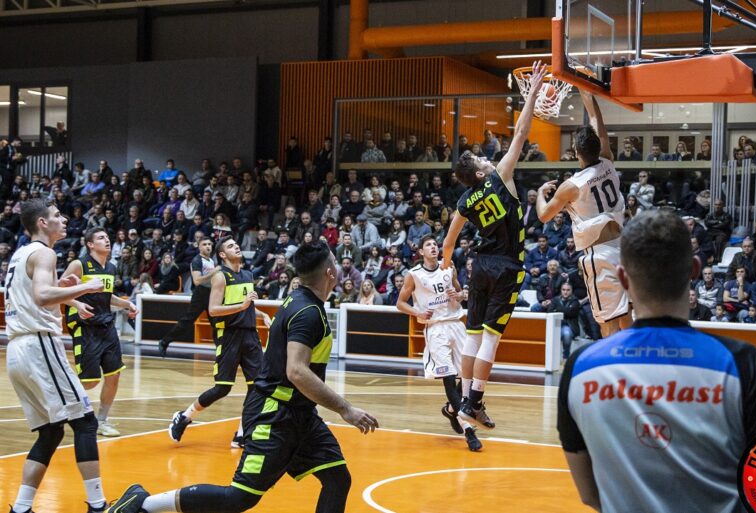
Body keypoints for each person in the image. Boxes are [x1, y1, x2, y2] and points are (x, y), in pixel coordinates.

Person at [557, 210, 756, 513]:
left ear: (622, 277)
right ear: (694, 270)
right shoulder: (743, 363)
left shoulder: (580, 367)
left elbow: (589, 494)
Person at [108, 241, 378, 513]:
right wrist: (345, 408)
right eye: (334, 262)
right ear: (330, 272)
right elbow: (296, 371)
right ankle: (143, 504)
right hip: (275, 414)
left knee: (337, 478)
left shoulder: (304, 302)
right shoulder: (307, 312)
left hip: (300, 414)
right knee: (238, 498)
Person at [441, 61, 548, 431]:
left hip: (479, 266)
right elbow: (521, 133)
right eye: (481, 158)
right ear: (480, 172)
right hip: (506, 266)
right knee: (490, 339)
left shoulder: (464, 202)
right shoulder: (501, 176)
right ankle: (472, 403)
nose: (487, 158)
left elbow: (449, 242)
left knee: (472, 338)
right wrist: (533, 93)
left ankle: (466, 401)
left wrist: (447, 268)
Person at [5, 199, 110, 513]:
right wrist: (84, 288)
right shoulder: (45, 252)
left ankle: (21, 507)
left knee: (51, 432)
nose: (63, 219)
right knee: (86, 422)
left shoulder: (21, 253)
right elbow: (41, 296)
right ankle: (97, 505)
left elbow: (36, 293)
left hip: (16, 350)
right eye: (56, 215)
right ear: (42, 222)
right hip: (39, 344)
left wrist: (64, 290)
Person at [535, 91, 631, 337]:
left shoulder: (572, 186)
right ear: (598, 146)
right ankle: (636, 358)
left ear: (576, 153)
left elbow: (544, 216)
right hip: (623, 248)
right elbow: (597, 120)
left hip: (600, 255)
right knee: (625, 315)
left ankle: (609, 362)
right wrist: (584, 89)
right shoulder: (608, 161)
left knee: (607, 322)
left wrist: (540, 193)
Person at [167, 238, 271, 448]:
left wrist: (262, 315)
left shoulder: (248, 275)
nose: (237, 247)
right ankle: (184, 417)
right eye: (230, 246)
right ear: (222, 255)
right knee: (222, 388)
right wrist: (242, 306)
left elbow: (247, 305)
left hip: (250, 335)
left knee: (258, 386)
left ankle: (242, 434)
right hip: (229, 335)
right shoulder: (220, 276)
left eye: (236, 244)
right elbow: (214, 310)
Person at [396, 235, 481, 451]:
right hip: (435, 329)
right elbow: (400, 303)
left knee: (469, 376)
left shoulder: (448, 267)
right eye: (428, 245)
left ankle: (452, 410)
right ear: (421, 252)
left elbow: (461, 294)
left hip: (456, 324)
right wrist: (418, 312)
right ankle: (468, 431)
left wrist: (458, 295)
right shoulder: (413, 274)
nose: (433, 247)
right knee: (449, 378)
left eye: (435, 244)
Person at [61, 227, 138, 437]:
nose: (107, 240)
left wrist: (126, 304)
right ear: (90, 244)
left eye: (107, 237)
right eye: (101, 238)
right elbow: (59, 291)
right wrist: (77, 305)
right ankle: (59, 399)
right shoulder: (79, 265)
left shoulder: (111, 267)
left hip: (106, 325)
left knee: (114, 374)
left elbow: (107, 295)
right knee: (90, 381)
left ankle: (102, 421)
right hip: (85, 326)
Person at [158, 236, 219, 356]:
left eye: (209, 244)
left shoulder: (211, 261)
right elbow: (197, 280)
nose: (208, 246)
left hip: (211, 293)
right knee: (187, 321)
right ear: (199, 247)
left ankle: (221, 349)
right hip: (200, 294)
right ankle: (164, 341)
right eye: (204, 244)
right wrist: (214, 272)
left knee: (216, 323)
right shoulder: (197, 260)